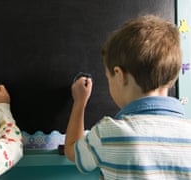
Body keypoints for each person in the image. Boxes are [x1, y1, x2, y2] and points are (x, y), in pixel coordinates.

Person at [64, 15, 191, 179]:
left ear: (119, 75)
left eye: (108, 77)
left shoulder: (109, 134)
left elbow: (71, 149)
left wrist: (79, 102)